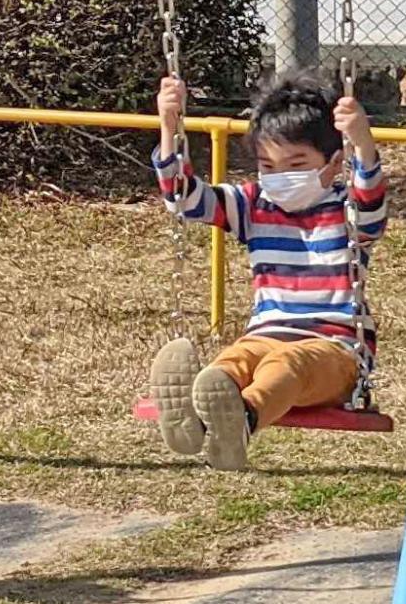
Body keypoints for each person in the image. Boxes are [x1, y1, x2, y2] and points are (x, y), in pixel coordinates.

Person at [149, 74, 387, 469]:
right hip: (265, 334)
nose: (280, 177)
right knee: (233, 364)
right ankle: (196, 422)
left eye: (296, 164)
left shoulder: (348, 209)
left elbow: (371, 200)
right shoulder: (254, 204)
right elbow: (184, 200)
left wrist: (362, 141)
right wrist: (169, 126)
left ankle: (242, 419)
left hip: (335, 350)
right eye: (267, 166)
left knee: (285, 366)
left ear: (334, 162)